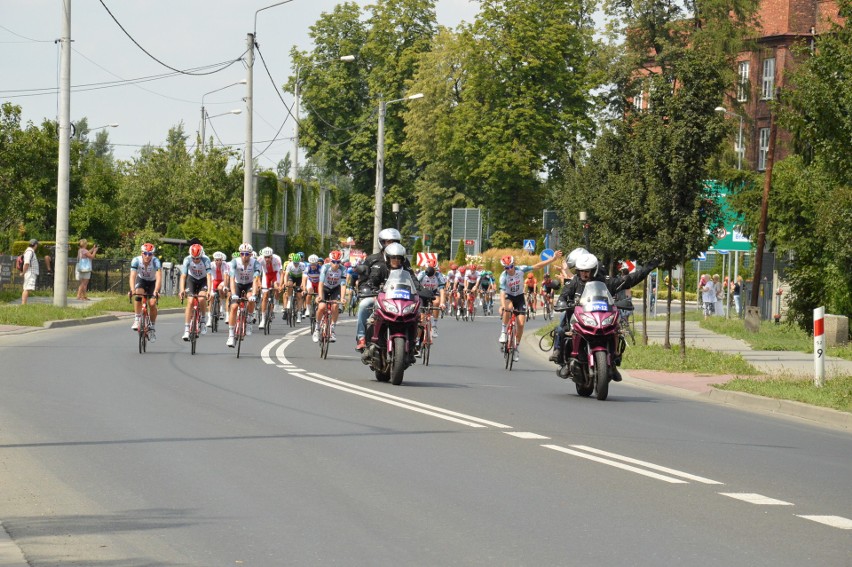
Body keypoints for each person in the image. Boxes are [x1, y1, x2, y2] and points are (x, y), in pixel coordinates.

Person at [550, 253, 659, 380]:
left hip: (600, 318)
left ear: (594, 270)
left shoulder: (606, 282)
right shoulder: (575, 281)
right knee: (563, 331)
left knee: (617, 330)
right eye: (581, 271)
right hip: (580, 319)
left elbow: (629, 279)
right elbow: (564, 293)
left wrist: (649, 267)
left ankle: (613, 362)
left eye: (587, 271)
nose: (583, 274)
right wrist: (562, 302)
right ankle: (567, 363)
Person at [498, 250, 563, 362]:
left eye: (511, 266)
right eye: (506, 268)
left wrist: (552, 259)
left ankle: (516, 346)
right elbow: (502, 293)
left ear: (514, 264)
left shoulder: (521, 270)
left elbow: (537, 266)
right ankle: (503, 332)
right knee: (508, 308)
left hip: (519, 297)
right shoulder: (503, 277)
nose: (509, 269)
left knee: (521, 324)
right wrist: (503, 306)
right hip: (509, 296)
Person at [353, 228, 411, 351]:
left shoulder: (404, 260)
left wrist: (421, 292)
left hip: (399, 297)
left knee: (417, 311)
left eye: (395, 241)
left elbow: (412, 279)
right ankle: (361, 337)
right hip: (377, 295)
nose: (391, 244)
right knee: (364, 304)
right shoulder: (373, 259)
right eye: (387, 242)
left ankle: (414, 341)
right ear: (381, 242)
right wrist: (366, 291)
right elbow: (364, 279)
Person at [226, 243, 261, 347]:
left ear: (251, 255)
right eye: (242, 254)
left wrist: (254, 294)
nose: (244, 256)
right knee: (234, 306)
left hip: (249, 284)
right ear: (240, 254)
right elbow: (232, 279)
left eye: (247, 254)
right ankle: (231, 335)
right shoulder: (234, 262)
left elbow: (255, 280)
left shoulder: (255, 263)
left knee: (251, 299)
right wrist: (233, 294)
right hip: (237, 284)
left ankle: (249, 320)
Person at [178, 243, 213, 341]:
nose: (196, 260)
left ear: (201, 255)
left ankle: (202, 320)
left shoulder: (206, 260)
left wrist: (209, 291)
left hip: (203, 280)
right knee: (190, 301)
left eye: (198, 258)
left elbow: (209, 276)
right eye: (194, 258)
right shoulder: (187, 260)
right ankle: (186, 329)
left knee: (202, 299)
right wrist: (181, 290)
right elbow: (183, 276)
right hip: (192, 279)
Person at [129, 243, 162, 341]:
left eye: (150, 254)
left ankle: (152, 328)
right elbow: (132, 276)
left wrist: (156, 291)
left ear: (153, 255)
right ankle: (137, 318)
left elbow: (159, 277)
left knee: (152, 304)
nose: (147, 256)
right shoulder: (136, 260)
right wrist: (132, 289)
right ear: (141, 253)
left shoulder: (156, 262)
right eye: (145, 253)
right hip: (142, 280)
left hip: (153, 282)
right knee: (138, 294)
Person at [313, 250, 346, 343]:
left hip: (335, 288)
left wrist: (343, 298)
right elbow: (320, 283)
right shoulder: (325, 267)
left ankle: (332, 330)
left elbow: (343, 285)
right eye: (334, 262)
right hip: (325, 288)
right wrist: (320, 296)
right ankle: (317, 329)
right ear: (330, 261)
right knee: (322, 306)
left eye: (338, 262)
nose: (336, 264)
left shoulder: (343, 269)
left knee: (335, 306)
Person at [417, 257, 447, 339]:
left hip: (433, 292)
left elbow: (442, 290)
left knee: (436, 302)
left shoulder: (439, 275)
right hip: (423, 293)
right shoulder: (422, 274)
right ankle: (417, 338)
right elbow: (415, 285)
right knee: (422, 317)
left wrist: (442, 303)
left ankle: (434, 326)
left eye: (434, 270)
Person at [257, 246, 283, 329]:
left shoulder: (277, 259)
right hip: (266, 275)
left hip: (275, 274)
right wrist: (259, 283)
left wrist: (281, 285)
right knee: (265, 296)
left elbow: (281, 273)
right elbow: (257, 273)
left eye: (269, 257)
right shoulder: (260, 259)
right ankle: (263, 319)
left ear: (272, 256)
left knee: (276, 288)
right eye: (266, 257)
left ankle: (276, 302)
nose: (267, 259)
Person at [207, 251, 231, 327]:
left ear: (222, 259)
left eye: (220, 260)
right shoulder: (211, 265)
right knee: (211, 297)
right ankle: (209, 318)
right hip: (214, 281)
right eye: (216, 260)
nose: (218, 262)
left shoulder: (225, 265)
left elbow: (226, 276)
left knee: (221, 289)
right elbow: (209, 276)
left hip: (222, 281)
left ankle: (222, 306)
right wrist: (209, 289)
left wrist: (225, 286)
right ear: (214, 260)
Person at [20, 238, 39, 305]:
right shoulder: (29, 252)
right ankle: (23, 305)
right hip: (30, 272)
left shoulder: (30, 251)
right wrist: (23, 272)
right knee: (27, 288)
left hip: (29, 272)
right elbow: (27, 263)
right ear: (35, 245)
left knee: (27, 288)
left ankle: (23, 304)